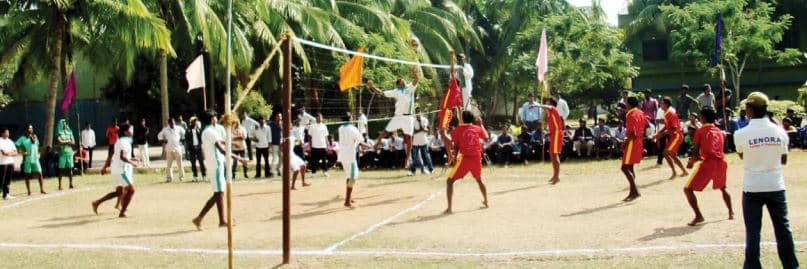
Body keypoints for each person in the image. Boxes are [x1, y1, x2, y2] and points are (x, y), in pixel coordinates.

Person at [734, 92, 799, 268]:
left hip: (752, 187)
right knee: (783, 229)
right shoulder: (780, 131)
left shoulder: (741, 133)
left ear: (749, 109)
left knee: (753, 232)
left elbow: (742, 156)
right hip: (775, 185)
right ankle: (791, 265)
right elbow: (783, 160)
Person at [192, 110, 248, 230]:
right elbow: (222, 150)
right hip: (216, 165)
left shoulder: (210, 131)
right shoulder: (209, 132)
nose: (216, 119)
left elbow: (222, 141)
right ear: (212, 119)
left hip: (217, 164)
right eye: (215, 117)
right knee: (219, 193)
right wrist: (239, 158)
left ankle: (201, 218)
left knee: (219, 193)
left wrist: (236, 138)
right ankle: (220, 220)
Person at [683, 108, 732, 226]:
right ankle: (731, 212)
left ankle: (698, 216)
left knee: (687, 189)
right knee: (723, 188)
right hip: (720, 163)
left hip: (708, 163)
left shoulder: (701, 131)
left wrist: (691, 162)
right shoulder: (719, 131)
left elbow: (695, 151)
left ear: (703, 118)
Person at [366, 66, 419, 168]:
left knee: (409, 138)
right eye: (402, 82)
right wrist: (372, 87)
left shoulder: (410, 88)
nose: (404, 82)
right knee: (385, 132)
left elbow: (416, 80)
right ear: (398, 85)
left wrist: (415, 73)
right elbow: (381, 93)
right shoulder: (395, 91)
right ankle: (375, 146)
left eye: (404, 81)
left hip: (408, 118)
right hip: (398, 117)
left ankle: (407, 159)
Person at [444, 111, 489, 214]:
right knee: (479, 180)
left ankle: (449, 208)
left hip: (465, 159)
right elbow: (486, 138)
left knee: (449, 181)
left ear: (462, 119)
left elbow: (455, 145)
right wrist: (481, 124)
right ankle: (486, 201)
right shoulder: (476, 128)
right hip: (476, 158)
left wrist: (453, 155)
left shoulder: (457, 130)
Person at [92, 123, 139, 217]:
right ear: (126, 132)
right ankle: (122, 212)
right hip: (122, 170)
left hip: (116, 168)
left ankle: (97, 202)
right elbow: (122, 157)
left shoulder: (119, 141)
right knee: (131, 190)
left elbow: (114, 154)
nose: (133, 131)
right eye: (131, 129)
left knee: (119, 192)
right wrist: (133, 163)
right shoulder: (124, 142)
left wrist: (105, 166)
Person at [654, 97, 688, 179]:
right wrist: (659, 133)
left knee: (665, 153)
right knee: (672, 155)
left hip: (676, 136)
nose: (660, 105)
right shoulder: (666, 113)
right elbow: (667, 127)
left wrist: (661, 134)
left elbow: (673, 128)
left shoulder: (670, 114)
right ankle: (684, 171)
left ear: (666, 104)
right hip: (674, 136)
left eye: (662, 103)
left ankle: (674, 172)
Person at [338, 112, 367, 207]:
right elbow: (361, 142)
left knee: (349, 176)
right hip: (350, 156)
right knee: (353, 177)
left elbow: (355, 141)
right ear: (350, 118)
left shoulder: (340, 128)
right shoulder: (352, 129)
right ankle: (347, 201)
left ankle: (349, 198)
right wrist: (370, 145)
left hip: (342, 156)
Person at [621, 97, 646, 202]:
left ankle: (635, 191)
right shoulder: (640, 112)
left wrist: (625, 142)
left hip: (632, 142)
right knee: (630, 167)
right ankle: (632, 192)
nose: (625, 105)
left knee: (625, 167)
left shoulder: (630, 114)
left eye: (626, 103)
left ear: (630, 104)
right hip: (639, 141)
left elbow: (632, 132)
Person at [15, 124, 46, 195]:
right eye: (29, 128)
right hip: (27, 160)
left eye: (31, 128)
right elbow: (16, 145)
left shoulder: (34, 136)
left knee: (40, 173)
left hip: (35, 159)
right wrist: (22, 152)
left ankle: (42, 189)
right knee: (27, 175)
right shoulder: (22, 138)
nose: (31, 130)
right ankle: (29, 191)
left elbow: (37, 145)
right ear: (25, 130)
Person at [541, 99, 564, 184]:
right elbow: (553, 126)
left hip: (557, 134)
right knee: (551, 154)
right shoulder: (549, 114)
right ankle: (554, 175)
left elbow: (547, 107)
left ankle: (557, 176)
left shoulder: (553, 109)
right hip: (553, 134)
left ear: (552, 104)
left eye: (547, 102)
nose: (546, 104)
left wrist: (537, 105)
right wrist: (547, 133)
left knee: (555, 154)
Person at [410, 107, 433, 175]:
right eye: (416, 112)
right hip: (415, 142)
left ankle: (430, 169)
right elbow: (413, 132)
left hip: (424, 141)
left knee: (427, 156)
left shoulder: (425, 119)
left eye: (418, 112)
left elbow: (425, 129)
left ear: (421, 112)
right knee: (415, 157)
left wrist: (420, 125)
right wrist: (421, 129)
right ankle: (412, 171)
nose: (417, 113)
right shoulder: (412, 121)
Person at [56, 119, 75, 190]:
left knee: (70, 169)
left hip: (69, 153)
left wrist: (65, 142)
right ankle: (60, 185)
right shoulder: (59, 133)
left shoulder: (70, 132)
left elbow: (73, 142)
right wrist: (68, 141)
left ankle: (71, 184)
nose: (65, 124)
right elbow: (59, 141)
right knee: (61, 170)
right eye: (63, 123)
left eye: (65, 123)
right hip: (62, 153)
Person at [185, 117, 206, 182]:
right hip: (192, 149)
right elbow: (187, 140)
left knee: (201, 162)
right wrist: (192, 146)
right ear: (191, 122)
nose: (195, 122)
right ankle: (195, 176)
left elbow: (201, 139)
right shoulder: (188, 130)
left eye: (196, 121)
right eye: (194, 121)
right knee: (193, 163)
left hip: (199, 148)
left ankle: (204, 175)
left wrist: (199, 145)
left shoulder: (198, 129)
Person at [0, 128, 17, 200]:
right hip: (2, 163)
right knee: (1, 180)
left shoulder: (10, 141)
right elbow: (3, 153)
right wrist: (10, 153)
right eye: (7, 132)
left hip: (10, 162)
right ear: (2, 133)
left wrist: (10, 153)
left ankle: (6, 194)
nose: (8, 134)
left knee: (8, 180)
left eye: (8, 132)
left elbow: (15, 152)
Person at [268, 113, 282, 177]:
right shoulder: (271, 124)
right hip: (274, 143)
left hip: (281, 144)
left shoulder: (282, 124)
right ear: (275, 117)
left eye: (280, 116)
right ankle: (272, 172)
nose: (279, 117)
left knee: (281, 158)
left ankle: (279, 170)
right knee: (275, 158)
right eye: (278, 116)